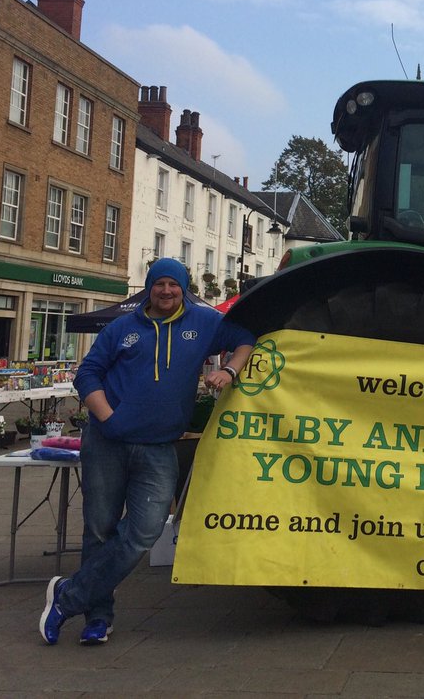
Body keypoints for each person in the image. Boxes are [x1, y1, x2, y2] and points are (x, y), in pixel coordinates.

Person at [38, 258, 256, 646]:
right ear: (149, 288)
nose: (167, 291)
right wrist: (110, 416)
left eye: (174, 285)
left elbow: (246, 339)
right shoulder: (122, 328)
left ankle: (67, 596)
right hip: (107, 443)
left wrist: (230, 370)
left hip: (158, 446)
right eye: (160, 284)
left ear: (184, 289)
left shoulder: (204, 323)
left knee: (145, 530)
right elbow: (86, 374)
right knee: (100, 529)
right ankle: (98, 619)